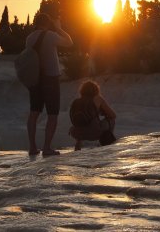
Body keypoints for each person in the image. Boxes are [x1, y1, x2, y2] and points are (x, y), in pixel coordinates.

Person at [26, 13, 73, 156]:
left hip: (35, 79)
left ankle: (32, 147)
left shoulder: (29, 38)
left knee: (34, 112)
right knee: (52, 114)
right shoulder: (51, 35)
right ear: (47, 23)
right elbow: (69, 42)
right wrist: (59, 28)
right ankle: (47, 148)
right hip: (50, 78)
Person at [69, 80, 116, 151]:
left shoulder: (76, 101)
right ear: (96, 90)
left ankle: (78, 145)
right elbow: (113, 115)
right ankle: (107, 142)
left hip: (75, 133)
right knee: (111, 120)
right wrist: (101, 112)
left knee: (81, 123)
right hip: (94, 133)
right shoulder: (97, 98)